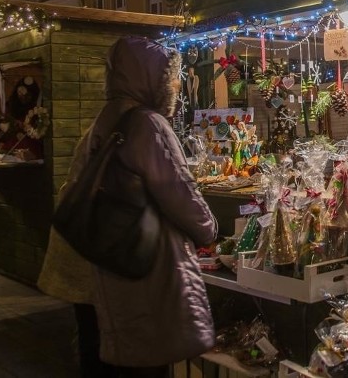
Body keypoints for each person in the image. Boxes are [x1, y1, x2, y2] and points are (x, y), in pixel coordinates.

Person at [38, 36, 218, 377]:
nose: (176, 85)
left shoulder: (108, 118)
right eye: (171, 77)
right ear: (151, 79)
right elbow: (180, 193)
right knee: (140, 362)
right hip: (130, 269)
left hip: (92, 264)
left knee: (99, 356)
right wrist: (208, 229)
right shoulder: (148, 124)